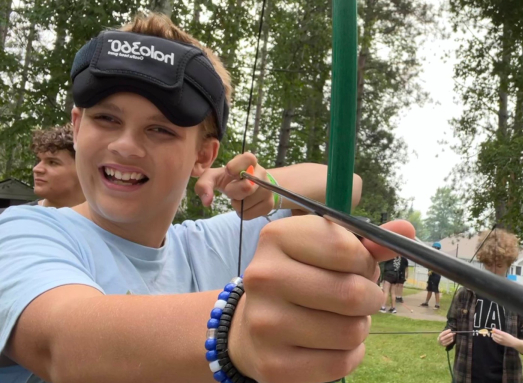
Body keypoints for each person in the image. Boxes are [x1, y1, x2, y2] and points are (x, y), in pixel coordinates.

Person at [0, 13, 414, 383]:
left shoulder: (204, 244)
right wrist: (235, 329)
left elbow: (345, 185)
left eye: (160, 129)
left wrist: (267, 185)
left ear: (203, 155)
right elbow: (63, 343)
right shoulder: (23, 232)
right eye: (106, 118)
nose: (125, 146)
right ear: (76, 127)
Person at [437, 229, 523, 383]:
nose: (493, 270)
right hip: (466, 376)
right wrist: (444, 338)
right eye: (489, 265)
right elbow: (451, 327)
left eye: (499, 265)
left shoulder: (520, 298)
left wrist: (514, 342)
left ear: (509, 263)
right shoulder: (465, 294)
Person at [0, 124, 84, 214]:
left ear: (84, 169)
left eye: (52, 162)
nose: (36, 169)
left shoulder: (94, 222)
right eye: (39, 160)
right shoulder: (9, 218)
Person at [421, 242, 443, 309]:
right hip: (431, 275)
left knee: (435, 289)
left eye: (434, 247)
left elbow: (437, 266)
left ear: (436, 248)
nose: (433, 248)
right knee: (429, 289)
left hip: (436, 275)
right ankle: (426, 302)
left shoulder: (438, 256)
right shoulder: (432, 255)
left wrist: (431, 271)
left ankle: (437, 304)